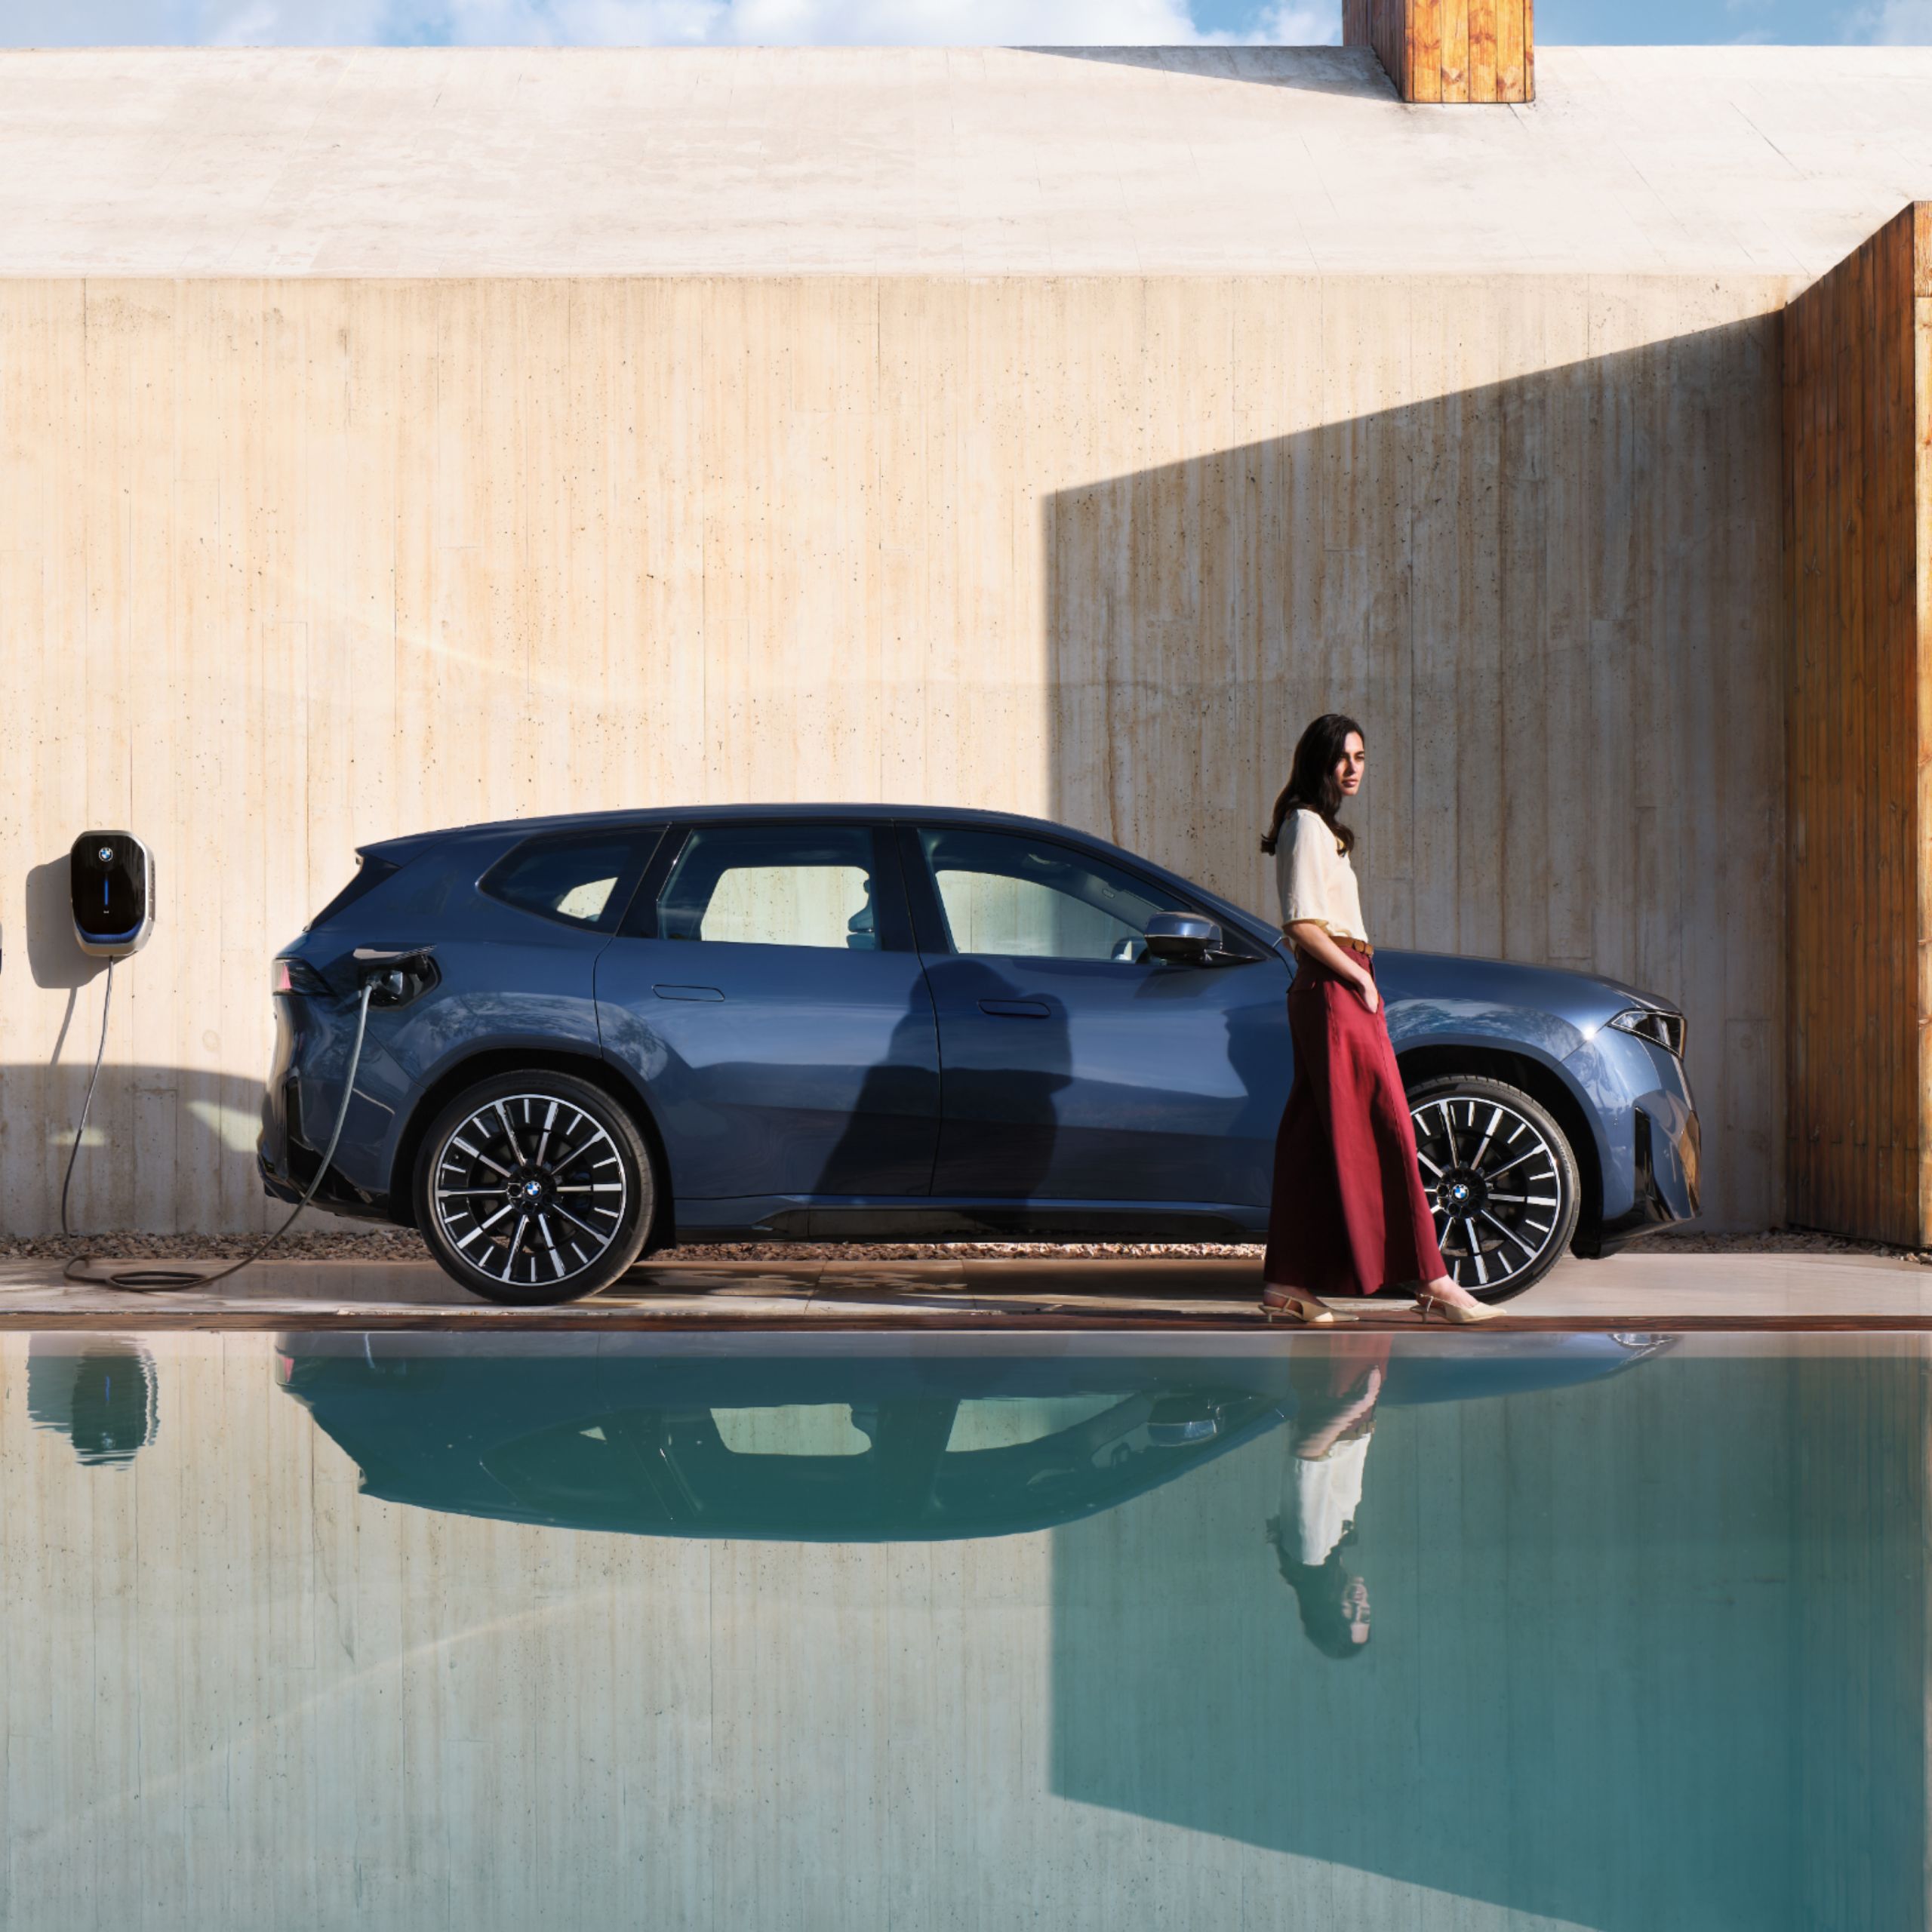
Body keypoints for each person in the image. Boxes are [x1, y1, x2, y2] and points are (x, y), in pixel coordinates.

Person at [1257, 712, 1494, 1326]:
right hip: (1336, 987)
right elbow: (1300, 923)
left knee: (1312, 1140)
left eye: (1361, 757)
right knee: (1386, 1124)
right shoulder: (1305, 825)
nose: (1353, 768)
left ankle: (1288, 1284)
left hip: (1331, 989)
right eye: (1343, 757)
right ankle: (1435, 1281)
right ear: (1318, 761)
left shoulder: (1316, 829)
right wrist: (1360, 977)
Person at [1266, 1334, 1390, 1658]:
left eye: (1353, 1614)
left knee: (1354, 1302)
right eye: (1367, 1614)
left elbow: (1307, 1452)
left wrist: (1360, 1403)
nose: (1362, 1604)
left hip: (1341, 1391)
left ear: (1328, 1611)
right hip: (1346, 1395)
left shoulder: (1312, 1551)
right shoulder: (1327, 1553)